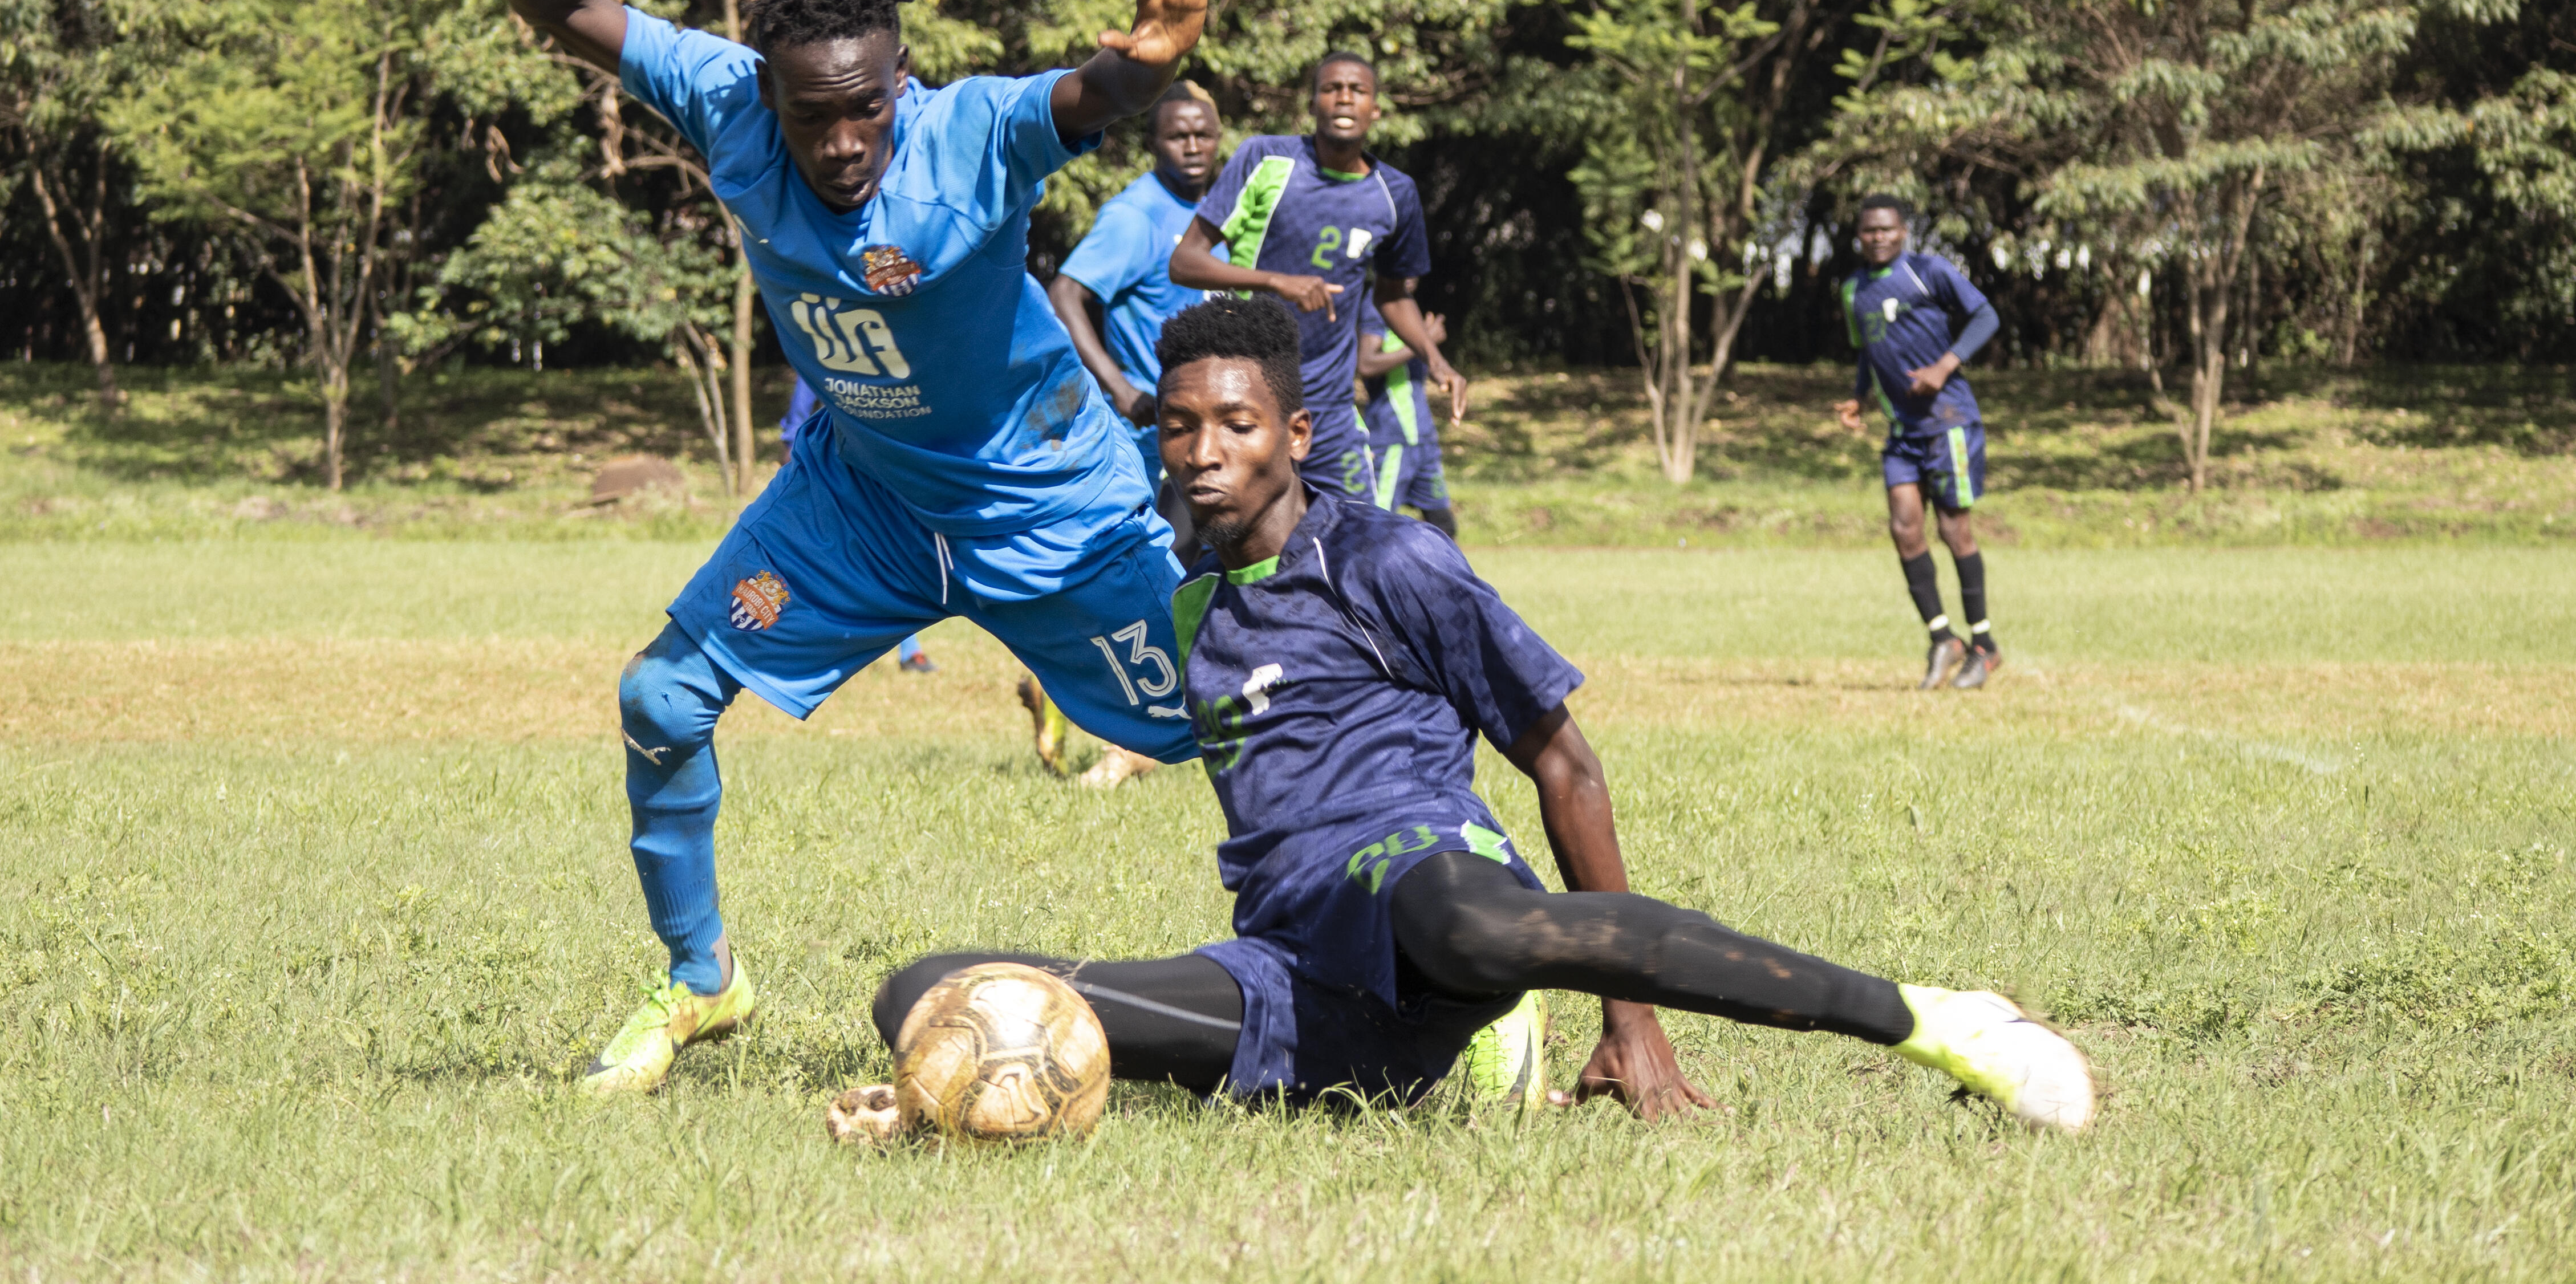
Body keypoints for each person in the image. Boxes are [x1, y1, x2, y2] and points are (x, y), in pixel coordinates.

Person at [862, 296, 2094, 1130]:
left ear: (1293, 433)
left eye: (1234, 424)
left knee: (1459, 918)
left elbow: (1564, 761)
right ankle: (1465, 1053)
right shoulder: (1190, 610)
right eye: (1178, 426)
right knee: (931, 991)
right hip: (1292, 965)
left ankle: (1937, 1019)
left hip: (1424, 878)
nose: (1201, 452)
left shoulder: (1390, 560)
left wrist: (1633, 1025)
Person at [485, 0, 1214, 1098]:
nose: (840, 142)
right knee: (660, 698)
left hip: (1050, 502)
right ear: (769, 91)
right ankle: (700, 978)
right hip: (859, 500)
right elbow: (575, 10)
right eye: (813, 113)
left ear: (901, 80)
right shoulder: (726, 101)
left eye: (865, 107)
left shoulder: (971, 134)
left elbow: (1086, 95)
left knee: (1243, 717)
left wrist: (1146, 65)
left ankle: (1388, 971)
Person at [1027, 80, 1224, 787]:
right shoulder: (1137, 215)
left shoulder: (1221, 210)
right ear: (1154, 142)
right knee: (1135, 579)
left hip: (1201, 432)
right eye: (1178, 135)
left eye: (1204, 133)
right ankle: (1113, 734)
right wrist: (1122, 388)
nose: (1194, 146)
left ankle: (1112, 718)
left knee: (1206, 571)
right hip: (1138, 439)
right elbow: (1066, 294)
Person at [1168, 50, 1465, 501]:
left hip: (1328, 406)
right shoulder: (1265, 158)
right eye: (1331, 89)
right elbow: (1185, 261)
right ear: (1312, 106)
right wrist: (1276, 281)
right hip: (1245, 395)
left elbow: (1391, 296)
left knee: (1360, 540)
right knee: (1232, 545)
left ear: (1376, 110)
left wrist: (1434, 357)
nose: (1344, 99)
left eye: (1357, 91)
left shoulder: (1395, 193)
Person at [1830, 195, 2004, 690]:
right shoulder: (1853, 291)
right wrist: (1858, 399)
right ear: (1859, 236)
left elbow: (1986, 316)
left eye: (1886, 229)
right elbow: (1869, 350)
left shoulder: (1930, 271)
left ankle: (1985, 647)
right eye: (1868, 231)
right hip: (1903, 433)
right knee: (1905, 529)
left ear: (1903, 231)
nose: (1878, 237)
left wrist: (1944, 367)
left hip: (1949, 423)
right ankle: (1943, 638)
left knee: (1954, 531)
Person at [778, 377, 931, 674]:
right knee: (840, 554)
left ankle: (908, 650)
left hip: (886, 458)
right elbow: (805, 394)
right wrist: (793, 443)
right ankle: (802, 638)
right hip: (839, 463)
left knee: (888, 551)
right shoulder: (836, 348)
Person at [1355, 307, 1459, 540]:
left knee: (1444, 527)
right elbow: (1366, 364)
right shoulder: (1376, 307)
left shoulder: (1410, 308)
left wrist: (1439, 365)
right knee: (1375, 530)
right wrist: (1422, 343)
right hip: (1392, 441)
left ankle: (1434, 576)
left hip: (1424, 441)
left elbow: (1425, 368)